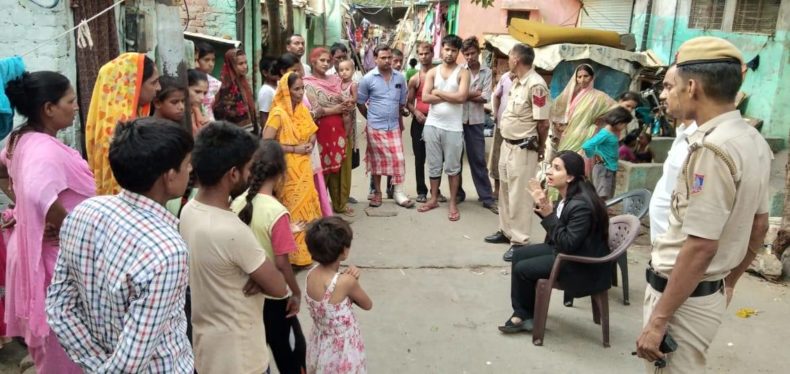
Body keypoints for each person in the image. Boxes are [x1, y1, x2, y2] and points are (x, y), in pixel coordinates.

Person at [636, 37, 772, 373]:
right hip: (701, 294)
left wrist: (658, 321)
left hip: (682, 300)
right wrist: (730, 282)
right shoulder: (751, 138)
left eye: (673, 86)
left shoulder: (713, 150)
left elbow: (700, 247)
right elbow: (760, 226)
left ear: (693, 87)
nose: (666, 94)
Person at [45, 118, 193, 372]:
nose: (191, 170)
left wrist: (95, 364)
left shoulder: (85, 212)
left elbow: (59, 308)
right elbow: (130, 362)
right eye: (187, 164)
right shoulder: (167, 251)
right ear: (169, 177)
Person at [0, 71, 93, 373]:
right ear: (48, 108)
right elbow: (41, 194)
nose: (76, 106)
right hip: (52, 254)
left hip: (40, 248)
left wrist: (23, 209)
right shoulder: (41, 147)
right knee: (60, 344)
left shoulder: (20, 138)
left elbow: (6, 172)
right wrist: (67, 227)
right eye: (70, 100)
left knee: (55, 343)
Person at [181, 122, 288, 373]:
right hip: (242, 357)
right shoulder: (232, 231)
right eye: (249, 168)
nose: (252, 174)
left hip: (206, 351)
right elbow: (278, 286)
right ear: (232, 174)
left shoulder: (189, 211)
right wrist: (260, 275)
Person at [498, 151, 612, 333]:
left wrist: (548, 214)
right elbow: (560, 233)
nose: (549, 172)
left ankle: (523, 315)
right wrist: (544, 208)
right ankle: (525, 312)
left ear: (570, 176)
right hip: (569, 251)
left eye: (557, 168)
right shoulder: (569, 194)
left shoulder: (580, 204)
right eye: (551, 167)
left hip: (580, 264)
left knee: (523, 269)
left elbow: (567, 243)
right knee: (518, 254)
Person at [231, 140, 307, 374]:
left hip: (248, 293)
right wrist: (295, 292)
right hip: (276, 297)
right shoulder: (276, 211)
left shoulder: (237, 203)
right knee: (290, 351)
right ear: (282, 173)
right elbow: (282, 263)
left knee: (256, 349)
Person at [483, 44, 549, 261]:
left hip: (524, 147)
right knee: (504, 190)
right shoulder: (516, 82)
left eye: (510, 56)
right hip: (507, 144)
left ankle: (520, 241)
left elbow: (543, 123)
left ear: (517, 59)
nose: (508, 59)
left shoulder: (536, 85)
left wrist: (540, 148)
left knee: (520, 196)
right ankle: (506, 230)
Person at [263, 72, 323, 267]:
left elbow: (312, 130)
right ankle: (290, 256)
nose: (300, 93)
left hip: (304, 166)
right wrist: (294, 148)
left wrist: (310, 144)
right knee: (292, 208)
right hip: (287, 169)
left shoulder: (302, 110)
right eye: (296, 89)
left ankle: (305, 253)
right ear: (286, 91)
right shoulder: (278, 113)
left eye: (302, 88)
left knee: (306, 208)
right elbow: (266, 142)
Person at [86, 52, 161, 195]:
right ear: (133, 84)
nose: (159, 88)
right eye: (153, 82)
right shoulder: (119, 133)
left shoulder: (123, 121)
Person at [304, 217, 372, 373]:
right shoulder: (346, 282)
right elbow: (367, 304)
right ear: (343, 251)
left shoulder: (311, 274)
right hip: (342, 349)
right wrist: (353, 281)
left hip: (320, 341)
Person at [417, 35, 470, 221]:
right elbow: (425, 97)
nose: (450, 53)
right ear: (442, 50)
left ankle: (452, 202)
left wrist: (438, 92)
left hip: (453, 128)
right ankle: (433, 198)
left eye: (454, 50)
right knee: (433, 165)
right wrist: (451, 95)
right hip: (432, 125)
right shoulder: (433, 72)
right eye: (447, 49)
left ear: (458, 53)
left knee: (453, 167)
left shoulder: (463, 72)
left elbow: (462, 97)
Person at [356, 45, 413, 209]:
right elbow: (360, 102)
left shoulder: (400, 78)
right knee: (377, 162)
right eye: (383, 58)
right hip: (375, 127)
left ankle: (398, 192)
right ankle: (378, 193)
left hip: (393, 126)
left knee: (399, 159)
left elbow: (402, 101)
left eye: (389, 57)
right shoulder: (368, 79)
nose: (387, 61)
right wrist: (370, 118)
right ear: (375, 59)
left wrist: (403, 111)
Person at [303, 47, 354, 216]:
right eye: (322, 60)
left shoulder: (335, 80)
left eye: (328, 60)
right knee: (321, 168)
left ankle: (340, 203)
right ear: (313, 61)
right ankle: (318, 206)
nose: (326, 64)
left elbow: (346, 97)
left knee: (341, 168)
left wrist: (346, 105)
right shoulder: (307, 83)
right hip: (320, 130)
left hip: (340, 128)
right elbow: (316, 110)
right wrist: (338, 108)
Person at [649, 73, 697, 243]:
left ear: (691, 87)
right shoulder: (684, 133)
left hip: (677, 259)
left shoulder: (703, 143)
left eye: (668, 87)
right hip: (663, 251)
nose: (662, 95)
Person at [460, 36, 496, 213]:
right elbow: (457, 95)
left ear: (478, 52)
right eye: (466, 54)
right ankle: (458, 193)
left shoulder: (486, 72)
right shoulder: (459, 70)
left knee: (478, 160)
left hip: (476, 121)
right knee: (455, 159)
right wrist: (474, 93)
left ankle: (487, 197)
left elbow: (486, 96)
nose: (469, 57)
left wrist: (465, 94)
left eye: (472, 53)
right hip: (458, 120)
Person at [407, 41, 445, 203]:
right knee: (419, 158)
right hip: (420, 121)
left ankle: (436, 191)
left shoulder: (441, 76)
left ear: (432, 54)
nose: (423, 57)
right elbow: (408, 102)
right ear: (418, 55)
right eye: (420, 54)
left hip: (438, 120)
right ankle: (421, 190)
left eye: (426, 53)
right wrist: (416, 112)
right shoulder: (415, 79)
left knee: (438, 158)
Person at [550, 64, 615, 156]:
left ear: (592, 77)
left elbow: (617, 109)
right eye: (579, 77)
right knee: (565, 162)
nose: (582, 80)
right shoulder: (570, 95)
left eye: (586, 76)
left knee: (579, 165)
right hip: (568, 135)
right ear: (575, 78)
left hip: (586, 136)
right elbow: (555, 108)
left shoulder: (599, 96)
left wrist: (603, 118)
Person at [581, 107, 633, 200]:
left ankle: (603, 211)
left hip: (610, 167)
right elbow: (587, 146)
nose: (624, 126)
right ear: (617, 121)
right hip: (603, 168)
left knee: (608, 195)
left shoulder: (612, 133)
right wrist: (595, 154)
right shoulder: (605, 133)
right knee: (602, 195)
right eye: (624, 124)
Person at [213, 48, 258, 133]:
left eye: (245, 63)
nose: (245, 66)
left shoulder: (243, 82)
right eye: (240, 64)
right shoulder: (226, 86)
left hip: (247, 132)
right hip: (231, 133)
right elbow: (221, 111)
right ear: (231, 65)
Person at [489, 71, 515, 199]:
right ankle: (497, 189)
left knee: (515, 162)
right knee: (498, 157)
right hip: (501, 125)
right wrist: (496, 113)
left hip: (519, 130)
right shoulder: (505, 77)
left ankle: (511, 192)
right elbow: (496, 96)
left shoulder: (531, 81)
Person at [339, 59, 359, 203]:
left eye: (347, 69)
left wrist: (349, 102)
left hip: (349, 115)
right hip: (339, 115)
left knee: (347, 139)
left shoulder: (353, 84)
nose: (344, 72)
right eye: (341, 70)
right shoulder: (337, 84)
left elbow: (355, 99)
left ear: (352, 71)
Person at [195, 42, 221, 121]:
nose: (211, 64)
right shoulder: (190, 81)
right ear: (197, 60)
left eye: (213, 60)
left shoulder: (215, 83)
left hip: (210, 122)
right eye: (206, 60)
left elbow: (213, 106)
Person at [187, 69, 210, 136]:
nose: (202, 97)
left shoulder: (196, 110)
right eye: (197, 92)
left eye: (204, 93)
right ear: (185, 88)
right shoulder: (178, 113)